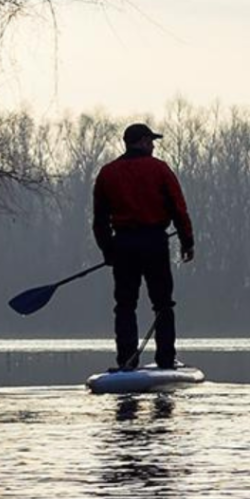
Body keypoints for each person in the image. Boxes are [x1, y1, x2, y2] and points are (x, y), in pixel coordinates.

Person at [93, 123, 195, 370]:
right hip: (154, 242)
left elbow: (99, 220)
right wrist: (187, 241)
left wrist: (108, 252)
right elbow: (178, 208)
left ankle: (127, 361)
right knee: (163, 304)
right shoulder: (159, 169)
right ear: (139, 142)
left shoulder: (107, 173)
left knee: (125, 305)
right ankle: (166, 360)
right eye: (150, 141)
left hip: (123, 245)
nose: (153, 145)